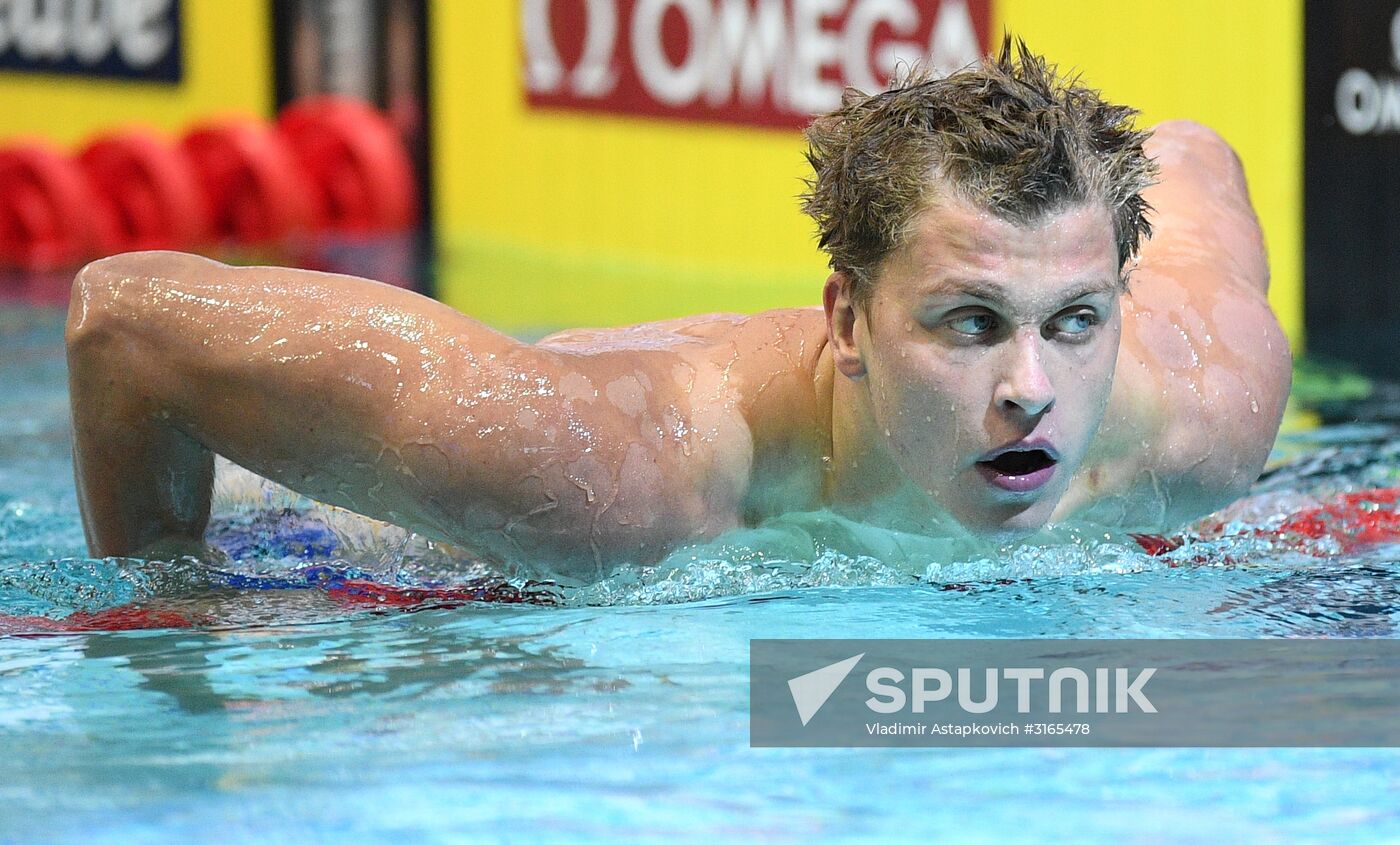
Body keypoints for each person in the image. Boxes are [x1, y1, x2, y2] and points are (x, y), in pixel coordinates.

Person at [65, 39, 1291, 578]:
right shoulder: (605, 479)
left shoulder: (1203, 410)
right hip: (369, 525)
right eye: (968, 322)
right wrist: (169, 609)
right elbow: (121, 319)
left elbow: (1189, 154)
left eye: (1072, 319)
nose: (1030, 384)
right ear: (847, 320)